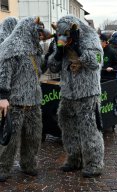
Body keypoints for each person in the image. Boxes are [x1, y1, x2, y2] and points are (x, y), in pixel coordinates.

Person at [48, 15, 104, 178]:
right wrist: (58, 53)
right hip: (68, 93)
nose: (63, 38)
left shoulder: (91, 38)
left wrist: (79, 49)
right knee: (67, 126)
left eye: (66, 35)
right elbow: (52, 67)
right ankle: (74, 158)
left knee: (90, 128)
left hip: (88, 93)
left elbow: (96, 63)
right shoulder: (61, 41)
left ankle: (94, 163)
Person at [0, 16, 52, 182]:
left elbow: (40, 70)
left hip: (34, 101)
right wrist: (3, 96)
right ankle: (3, 167)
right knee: (10, 139)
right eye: (38, 31)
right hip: (15, 102)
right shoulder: (10, 47)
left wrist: (51, 54)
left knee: (33, 136)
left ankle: (28, 164)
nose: (40, 35)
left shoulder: (35, 48)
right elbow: (4, 73)